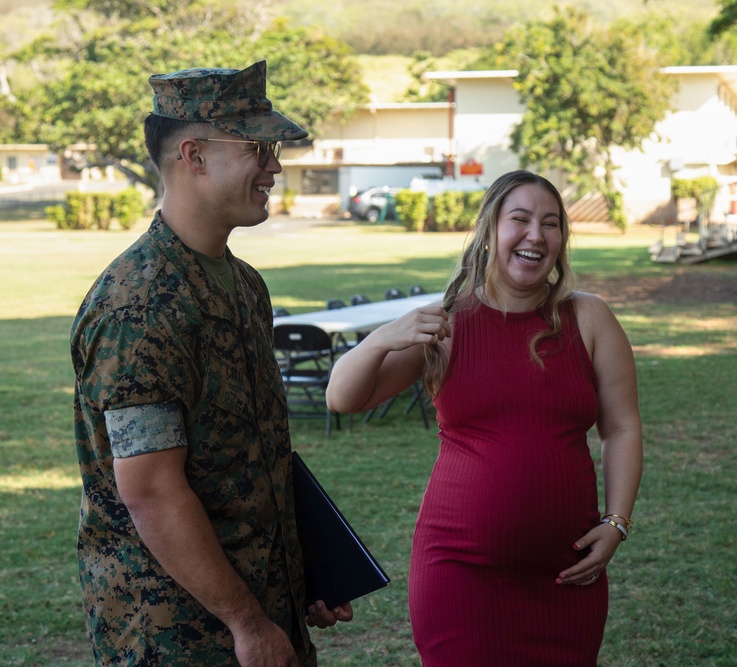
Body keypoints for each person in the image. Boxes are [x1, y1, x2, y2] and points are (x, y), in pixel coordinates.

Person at [71, 61, 352, 666]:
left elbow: (249, 451)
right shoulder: (139, 305)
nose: (274, 166)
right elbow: (150, 490)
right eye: (259, 148)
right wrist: (246, 622)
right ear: (194, 156)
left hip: (258, 605)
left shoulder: (244, 286)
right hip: (178, 633)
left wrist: (303, 571)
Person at [326, 170, 643, 666]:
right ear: (490, 229)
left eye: (551, 223)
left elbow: (621, 427)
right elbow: (343, 397)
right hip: (459, 575)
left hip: (566, 578)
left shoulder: (590, 318)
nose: (536, 235)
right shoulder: (446, 324)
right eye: (520, 219)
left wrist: (617, 522)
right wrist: (383, 337)